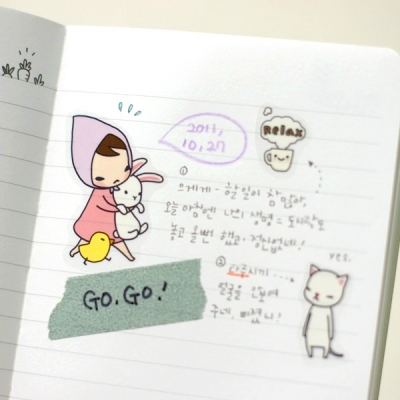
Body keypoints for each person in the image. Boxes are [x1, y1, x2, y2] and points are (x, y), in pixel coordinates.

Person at [69, 115, 140, 261]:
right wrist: (118, 207)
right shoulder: (100, 192)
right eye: (101, 177)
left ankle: (128, 255)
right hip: (95, 219)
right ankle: (77, 249)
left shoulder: (120, 186)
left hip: (111, 221)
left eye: (125, 168)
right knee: (87, 236)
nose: (116, 179)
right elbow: (103, 204)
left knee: (116, 238)